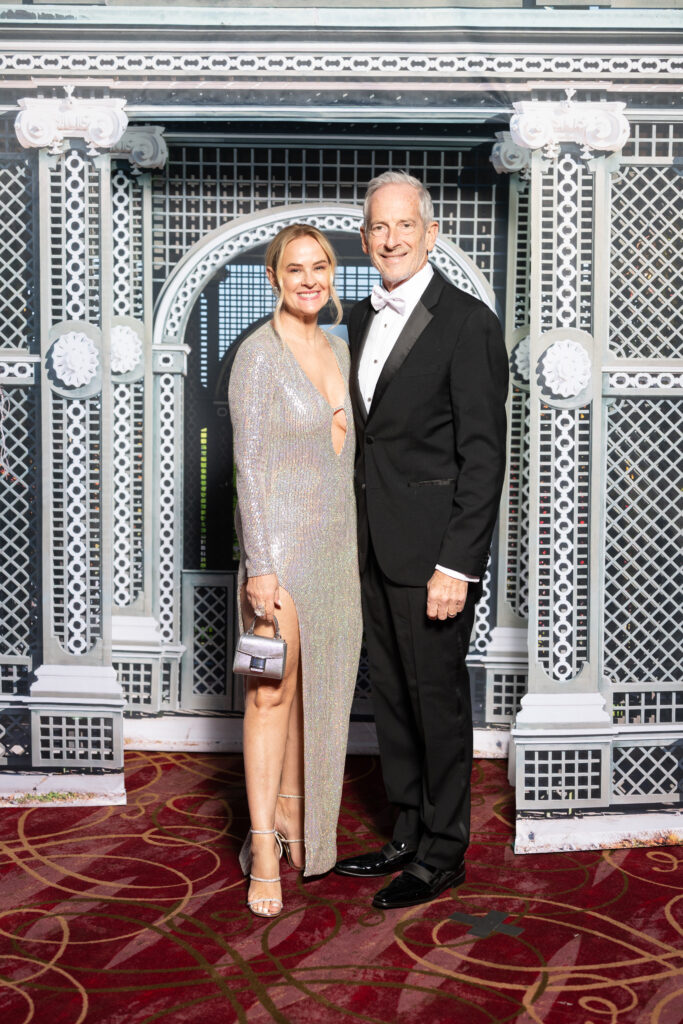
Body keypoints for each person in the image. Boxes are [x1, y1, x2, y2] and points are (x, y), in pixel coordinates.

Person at [334, 171, 509, 910]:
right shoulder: (360, 319)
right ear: (365, 237)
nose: (391, 239)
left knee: (435, 702)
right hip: (370, 546)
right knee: (394, 702)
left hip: (433, 557)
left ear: (430, 234)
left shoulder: (467, 322)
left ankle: (443, 853)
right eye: (378, 228)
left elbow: (484, 454)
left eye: (404, 226)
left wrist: (457, 567)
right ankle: (405, 833)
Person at [229, 224, 362, 918]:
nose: (308, 279)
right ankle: (261, 847)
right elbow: (248, 466)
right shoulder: (258, 354)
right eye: (294, 269)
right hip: (278, 558)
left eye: (320, 267)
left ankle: (292, 816)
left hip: (337, 553)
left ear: (332, 274)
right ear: (274, 277)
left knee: (321, 692)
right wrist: (259, 567)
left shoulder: (338, 345)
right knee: (269, 696)